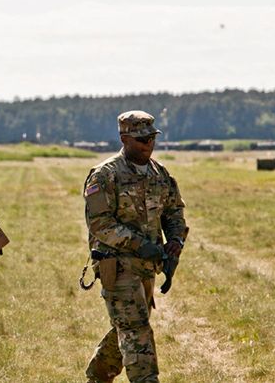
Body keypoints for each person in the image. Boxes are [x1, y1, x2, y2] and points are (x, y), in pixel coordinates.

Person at [82, 111, 189, 383]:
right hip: (116, 266)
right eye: (141, 139)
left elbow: (174, 212)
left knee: (128, 326)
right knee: (135, 330)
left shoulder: (160, 174)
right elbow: (101, 225)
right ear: (124, 138)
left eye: (151, 138)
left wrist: (175, 244)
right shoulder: (105, 175)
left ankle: (97, 376)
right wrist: (141, 245)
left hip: (146, 268)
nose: (147, 144)